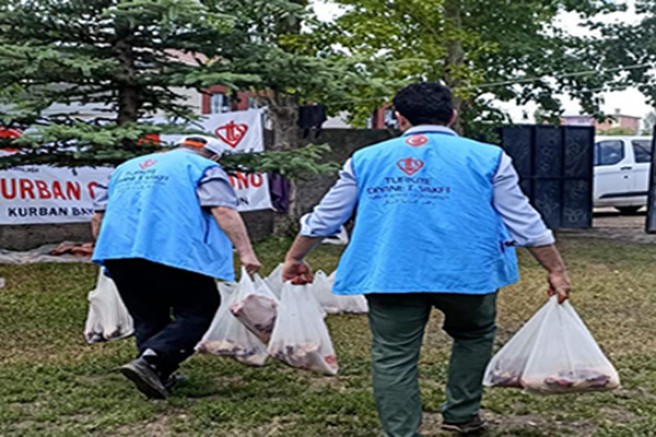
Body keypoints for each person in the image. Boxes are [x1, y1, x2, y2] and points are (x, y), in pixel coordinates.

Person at [282, 82, 571, 436]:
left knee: (392, 354)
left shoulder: (366, 159)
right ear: (452, 115)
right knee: (474, 334)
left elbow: (326, 217)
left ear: (399, 118)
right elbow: (522, 218)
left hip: (390, 271)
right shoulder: (487, 156)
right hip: (468, 271)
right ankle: (462, 416)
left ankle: (401, 432)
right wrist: (554, 268)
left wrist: (295, 257)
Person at [92, 135, 261, 399]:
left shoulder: (126, 168)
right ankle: (152, 362)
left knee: (148, 315)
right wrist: (246, 252)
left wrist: (105, 249)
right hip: (172, 249)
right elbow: (223, 210)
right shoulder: (204, 168)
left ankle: (155, 376)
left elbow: (98, 215)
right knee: (199, 310)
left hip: (119, 251)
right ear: (214, 155)